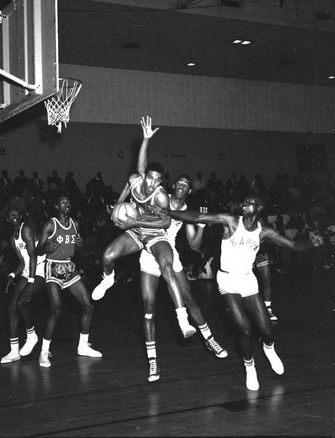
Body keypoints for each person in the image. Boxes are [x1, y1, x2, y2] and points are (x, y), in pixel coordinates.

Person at [153, 194, 323, 391]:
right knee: (244, 328)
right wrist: (170, 212)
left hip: (247, 279)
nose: (245, 203)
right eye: (244, 201)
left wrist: (313, 244)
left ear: (259, 208)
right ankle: (250, 368)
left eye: (250, 202)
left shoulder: (263, 231)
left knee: (266, 328)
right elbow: (198, 217)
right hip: (227, 280)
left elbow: (293, 245)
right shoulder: (231, 221)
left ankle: (269, 348)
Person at [135, 117, 227, 382]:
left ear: (189, 191)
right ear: (173, 184)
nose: (183, 186)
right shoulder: (158, 194)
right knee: (148, 309)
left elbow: (195, 246)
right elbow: (142, 171)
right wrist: (147, 140)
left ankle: (209, 339)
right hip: (148, 254)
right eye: (180, 183)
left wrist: (201, 228)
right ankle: (153, 362)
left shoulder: (186, 212)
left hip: (170, 255)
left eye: (188, 185)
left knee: (190, 299)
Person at [92, 117, 195, 341]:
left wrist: (135, 222)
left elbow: (165, 223)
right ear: (144, 175)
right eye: (149, 177)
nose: (152, 183)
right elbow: (131, 181)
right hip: (136, 232)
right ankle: (108, 279)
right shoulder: (136, 180)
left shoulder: (160, 197)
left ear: (160, 183)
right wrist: (117, 206)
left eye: (157, 181)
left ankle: (182, 319)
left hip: (156, 234)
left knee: (168, 271)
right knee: (107, 255)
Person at [35, 195, 102, 367]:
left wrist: (79, 245)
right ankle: (44, 351)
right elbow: (38, 249)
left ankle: (83, 346)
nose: (67, 204)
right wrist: (45, 248)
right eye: (63, 202)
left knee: (88, 305)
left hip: (69, 268)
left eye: (68, 202)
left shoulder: (75, 224)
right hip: (53, 267)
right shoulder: (51, 224)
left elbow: (76, 247)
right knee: (56, 309)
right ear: (57, 205)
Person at [0, 208, 46, 364]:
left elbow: (33, 256)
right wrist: (12, 275)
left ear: (20, 216)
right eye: (10, 214)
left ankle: (32, 335)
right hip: (28, 268)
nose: (13, 216)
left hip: (40, 268)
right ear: (7, 219)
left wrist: (31, 281)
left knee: (22, 303)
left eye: (15, 214)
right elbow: (23, 261)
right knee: (12, 306)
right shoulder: (13, 239)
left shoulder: (26, 229)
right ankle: (14, 352)